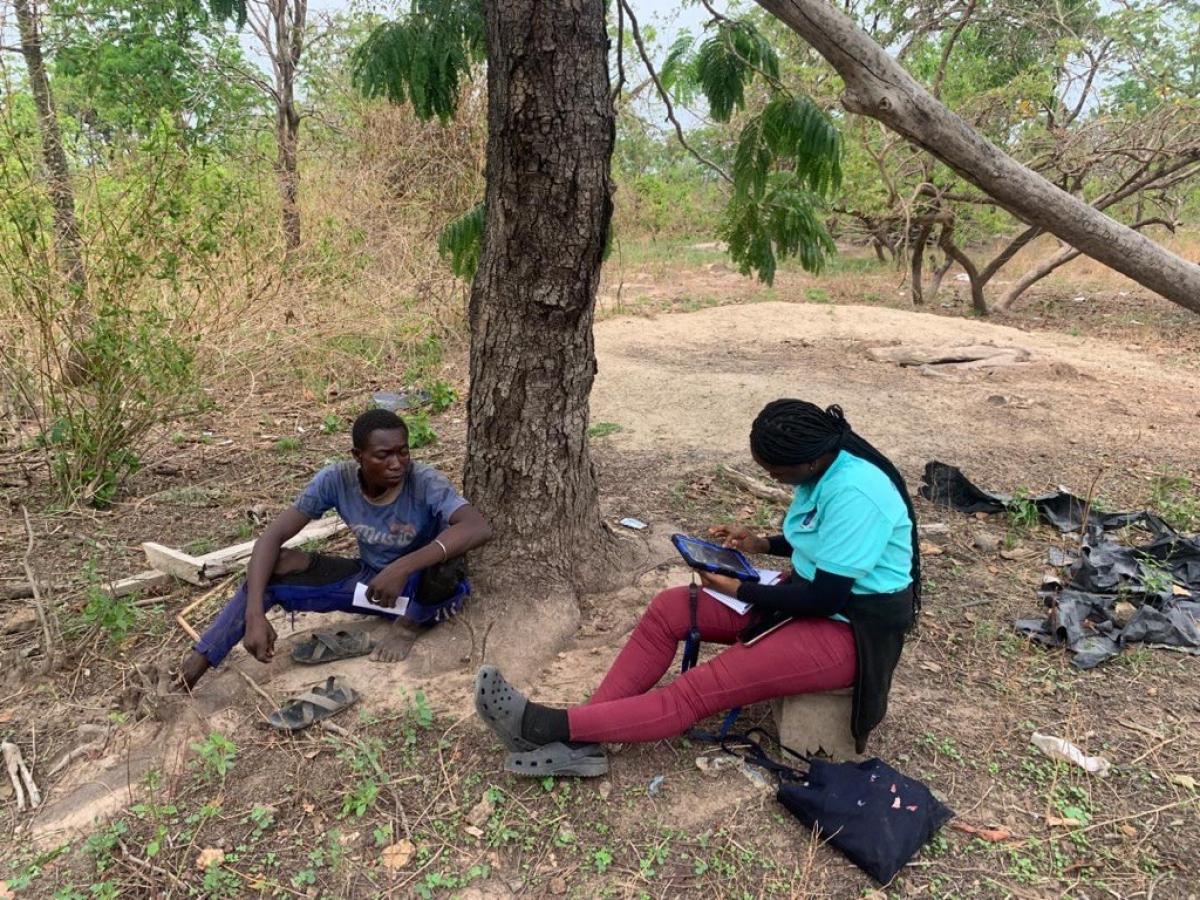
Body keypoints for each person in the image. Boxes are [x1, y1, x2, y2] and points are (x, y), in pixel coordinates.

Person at [474, 399, 919, 776]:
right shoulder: (825, 470)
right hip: (808, 599)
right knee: (671, 608)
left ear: (809, 460)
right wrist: (762, 543)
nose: (773, 479)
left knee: (697, 690)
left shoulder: (858, 493)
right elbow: (828, 545)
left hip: (847, 631)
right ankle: (585, 741)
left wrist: (738, 589)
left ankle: (539, 725)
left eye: (775, 473)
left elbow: (826, 597)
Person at [178, 408, 493, 688]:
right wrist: (255, 613)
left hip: (423, 593)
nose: (396, 463)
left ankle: (409, 627)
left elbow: (477, 527)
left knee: (448, 558)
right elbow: (270, 539)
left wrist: (403, 567)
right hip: (374, 589)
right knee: (278, 564)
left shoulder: (424, 481)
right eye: (383, 455)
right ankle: (192, 671)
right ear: (357, 456)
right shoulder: (336, 480)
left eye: (403, 452)